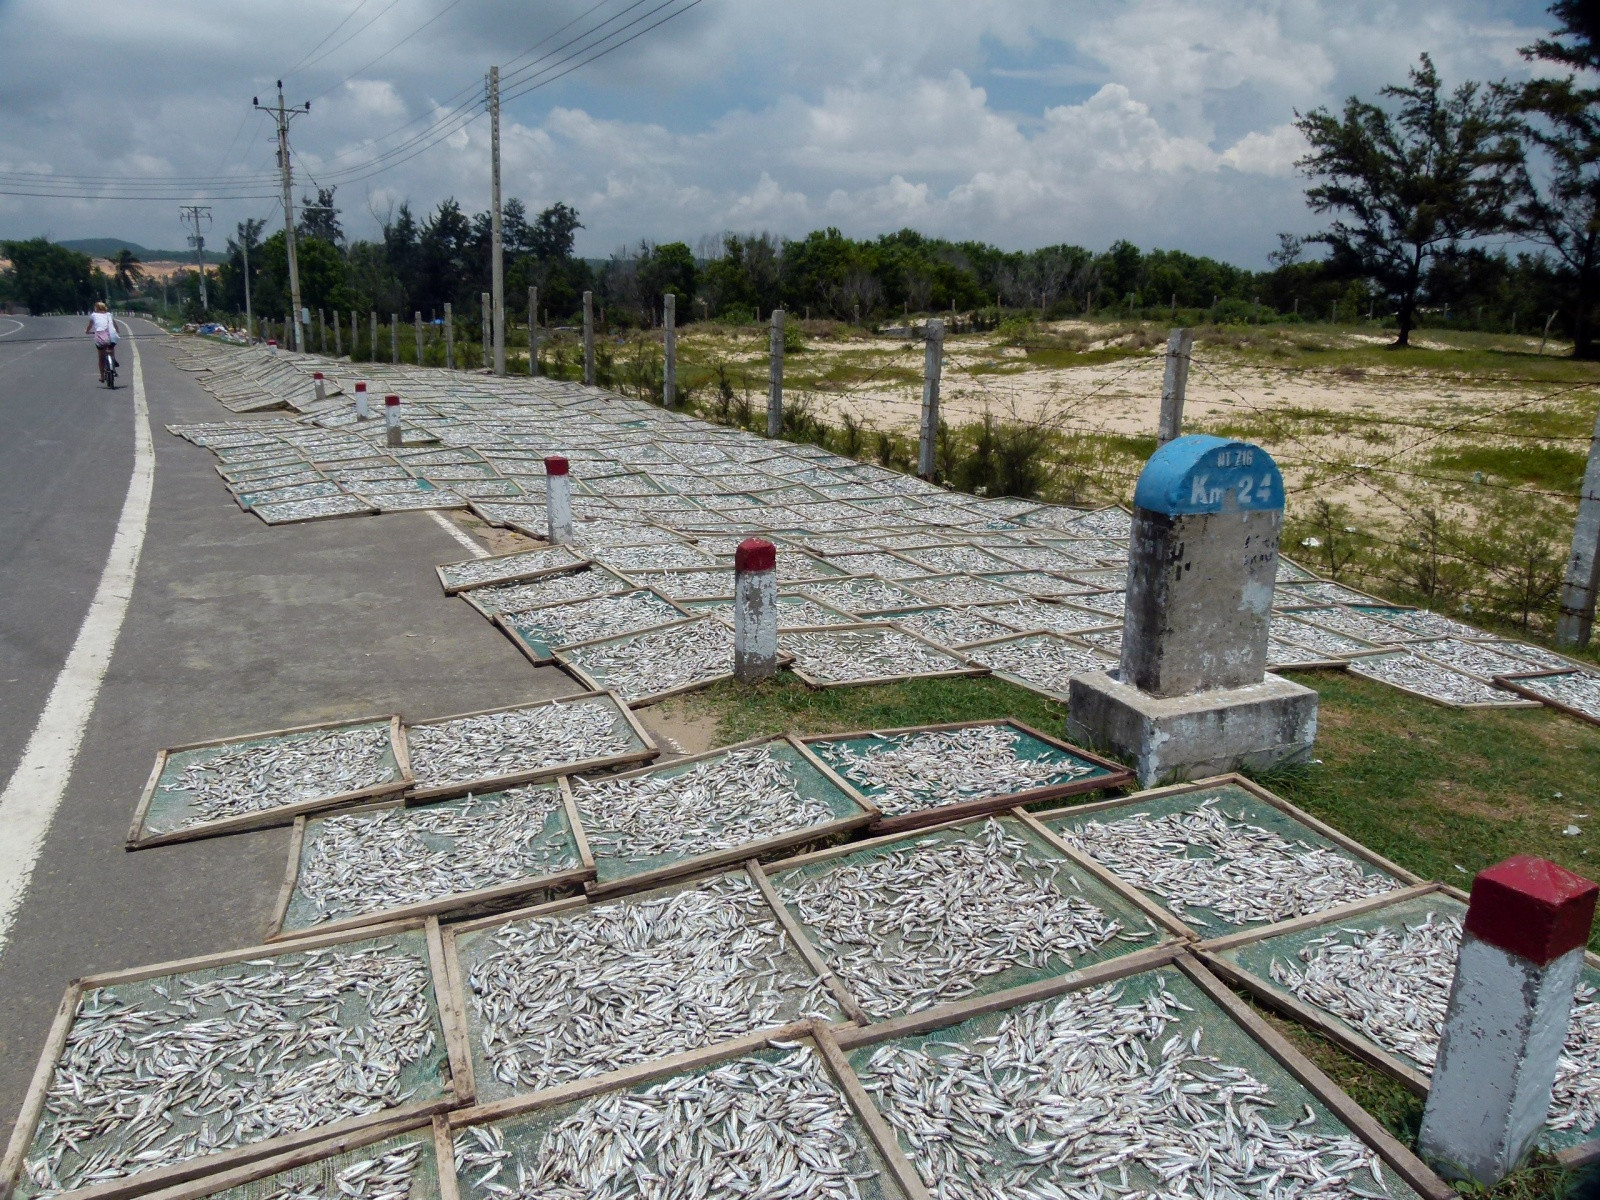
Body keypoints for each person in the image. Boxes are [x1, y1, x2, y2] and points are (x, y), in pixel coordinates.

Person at [86, 302, 119, 382]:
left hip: (101, 337)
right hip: (112, 336)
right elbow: (115, 326)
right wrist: (117, 331)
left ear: (96, 308)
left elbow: (90, 326)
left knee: (101, 358)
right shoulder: (109, 315)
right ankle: (113, 360)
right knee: (111, 346)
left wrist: (87, 331)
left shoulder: (94, 315)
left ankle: (102, 376)